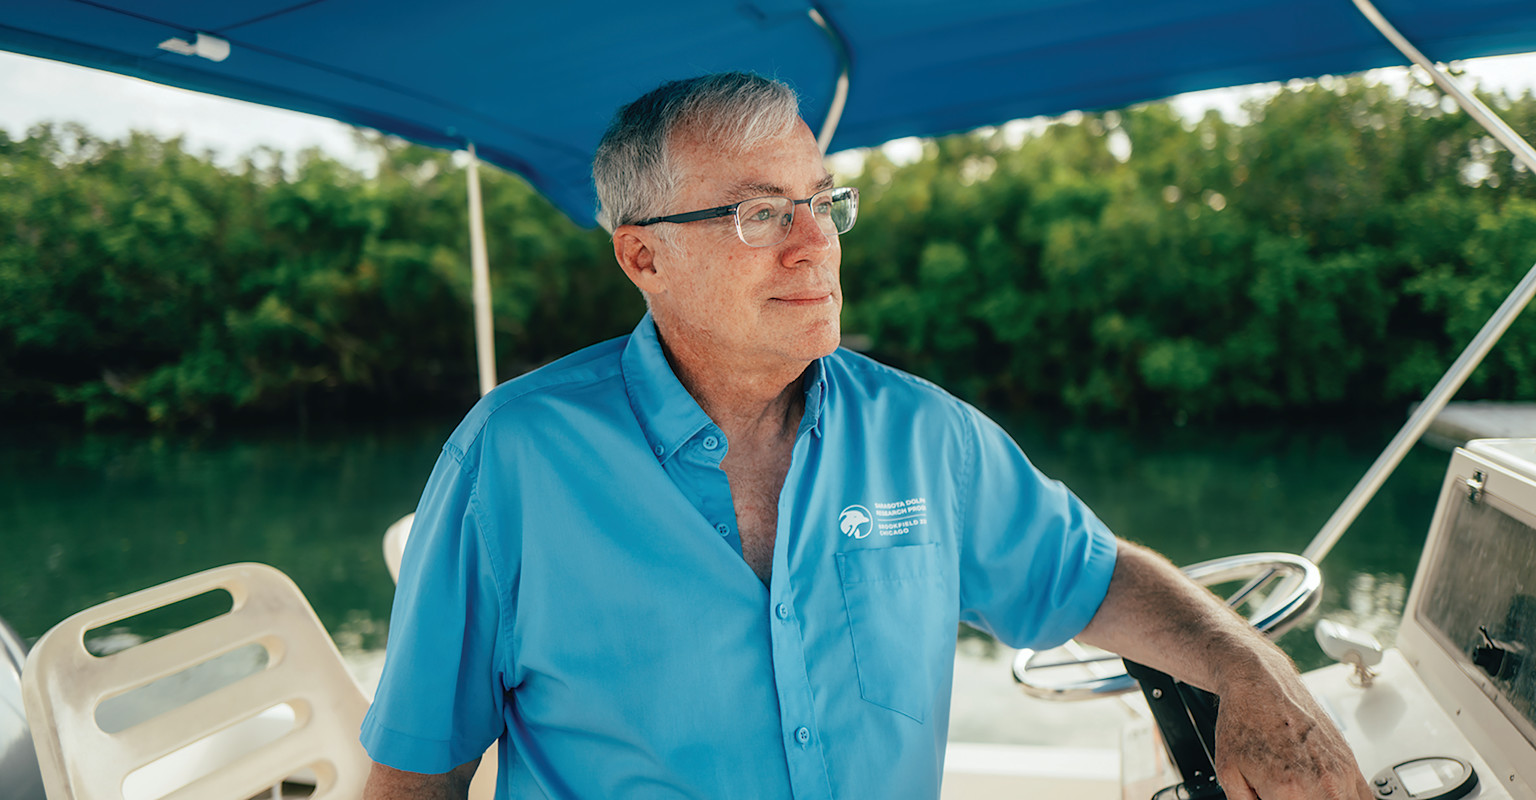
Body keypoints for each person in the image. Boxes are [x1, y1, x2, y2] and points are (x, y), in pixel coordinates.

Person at [359, 72, 1371, 800]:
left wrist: (1252, 671)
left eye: (821, 202)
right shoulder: (510, 461)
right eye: (760, 214)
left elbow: (1095, 578)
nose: (815, 244)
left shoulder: (924, 434)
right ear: (643, 258)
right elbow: (417, 775)